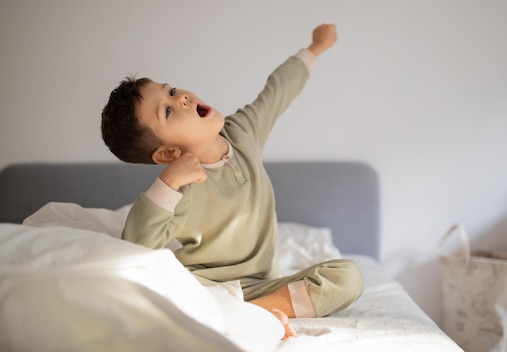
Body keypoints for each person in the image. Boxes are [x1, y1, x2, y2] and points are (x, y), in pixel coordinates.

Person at [100, 24, 363, 340]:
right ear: (168, 151)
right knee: (168, 300)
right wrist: (167, 184)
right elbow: (134, 251)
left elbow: (275, 93)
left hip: (264, 285)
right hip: (207, 288)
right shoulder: (178, 190)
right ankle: (233, 315)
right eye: (167, 111)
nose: (181, 98)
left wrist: (313, 49)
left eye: (171, 91)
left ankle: (254, 312)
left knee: (348, 277)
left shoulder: (243, 133)